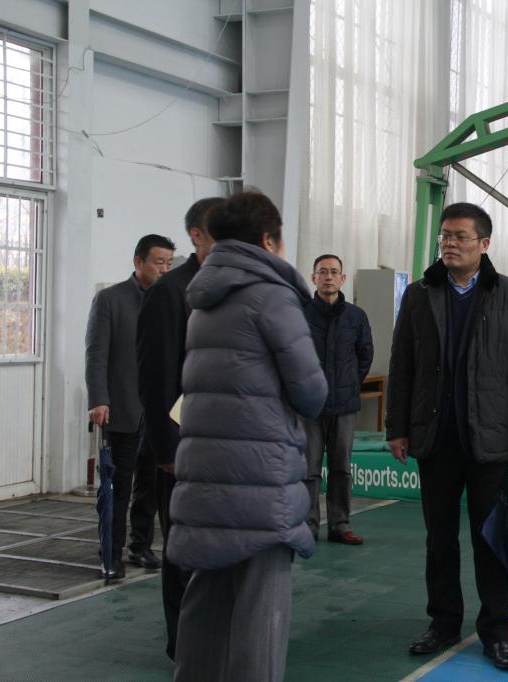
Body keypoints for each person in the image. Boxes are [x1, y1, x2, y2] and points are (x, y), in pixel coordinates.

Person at [167, 191, 327, 682]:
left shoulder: (203, 300)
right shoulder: (271, 295)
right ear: (268, 240)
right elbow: (311, 392)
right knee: (261, 618)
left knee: (205, 609)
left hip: (205, 478)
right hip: (260, 482)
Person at [386, 202, 508, 672]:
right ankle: (444, 622)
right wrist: (397, 427)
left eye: (460, 237)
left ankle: (496, 631)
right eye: (445, 236)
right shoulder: (420, 295)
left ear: (484, 244)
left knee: (492, 539)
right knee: (440, 539)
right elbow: (402, 365)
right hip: (436, 438)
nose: (450, 244)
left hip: (488, 438)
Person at [136, 196, 222, 661]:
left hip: (225, 446)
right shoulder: (171, 292)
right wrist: (168, 451)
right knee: (183, 550)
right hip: (183, 448)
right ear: (197, 236)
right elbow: (156, 378)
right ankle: (184, 645)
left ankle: (215, 637)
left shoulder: (232, 288)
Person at [86, 234, 175, 578]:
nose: (164, 269)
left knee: (150, 485)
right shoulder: (110, 299)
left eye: (169, 263)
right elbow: (96, 353)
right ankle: (110, 554)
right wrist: (99, 398)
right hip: (120, 407)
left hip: (159, 413)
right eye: (158, 262)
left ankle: (141, 546)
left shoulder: (170, 301)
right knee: (117, 486)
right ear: (139, 262)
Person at [302, 254, 373, 545]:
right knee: (309, 470)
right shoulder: (301, 314)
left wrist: (350, 384)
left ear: (343, 279)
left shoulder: (356, 317)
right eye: (323, 272)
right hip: (309, 407)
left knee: (341, 468)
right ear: (313, 278)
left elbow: (365, 354)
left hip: (344, 406)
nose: (328, 276)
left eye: (334, 272)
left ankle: (340, 525)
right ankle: (308, 525)